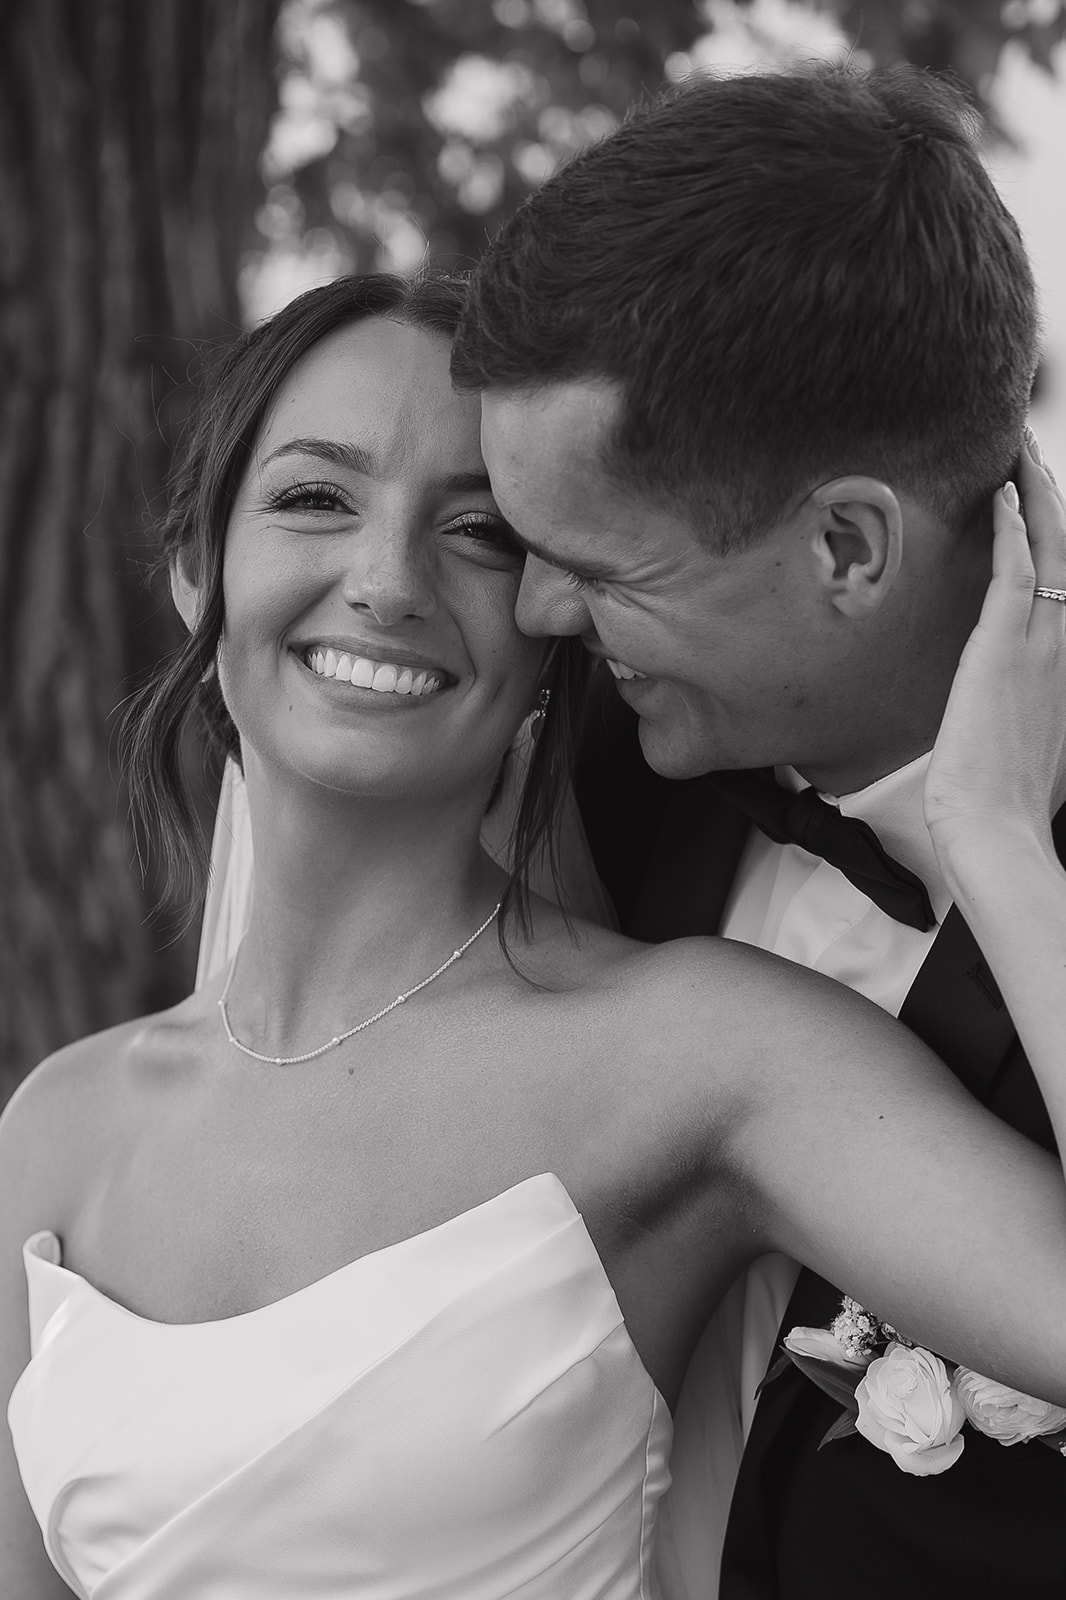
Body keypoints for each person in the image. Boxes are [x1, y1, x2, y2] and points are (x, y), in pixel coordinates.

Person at [1, 269, 1065, 1600]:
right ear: (195, 568)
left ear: (556, 623)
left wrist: (996, 835)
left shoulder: (704, 1050)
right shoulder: (58, 1128)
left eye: (477, 533)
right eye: (315, 498)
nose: (385, 582)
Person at [451, 60, 1066, 1599]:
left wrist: (997, 846)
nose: (536, 613)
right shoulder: (578, 776)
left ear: (846, 546)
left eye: (601, 568)